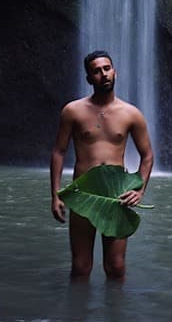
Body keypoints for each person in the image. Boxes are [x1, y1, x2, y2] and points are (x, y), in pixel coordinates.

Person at [50, 50, 154, 280]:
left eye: (107, 69)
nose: (103, 74)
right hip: (82, 193)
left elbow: (147, 155)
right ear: (89, 78)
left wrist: (139, 190)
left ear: (115, 72)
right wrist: (56, 194)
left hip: (117, 195)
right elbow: (58, 151)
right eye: (96, 71)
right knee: (80, 266)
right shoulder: (73, 111)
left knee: (116, 267)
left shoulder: (131, 114)